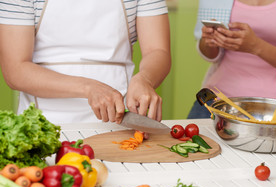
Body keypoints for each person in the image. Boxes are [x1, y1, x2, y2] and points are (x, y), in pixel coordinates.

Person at [0, 0, 171, 124]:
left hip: (119, 120)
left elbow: (158, 51)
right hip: (44, 124)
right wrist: (89, 88)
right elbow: (16, 70)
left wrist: (144, 79)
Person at [188, 0, 276, 119]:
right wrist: (208, 41)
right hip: (214, 102)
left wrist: (256, 46)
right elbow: (210, 55)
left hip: (274, 113)